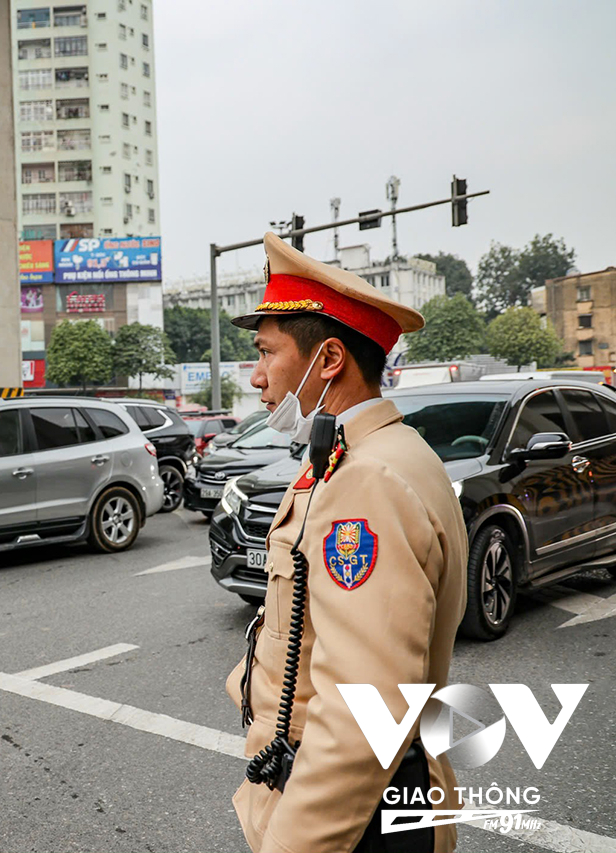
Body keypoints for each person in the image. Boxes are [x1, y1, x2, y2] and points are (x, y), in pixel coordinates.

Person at [225, 233, 467, 853]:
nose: (255, 377)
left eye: (266, 353)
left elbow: (364, 713)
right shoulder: (369, 457)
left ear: (328, 359)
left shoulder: (368, 479)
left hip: (362, 821)